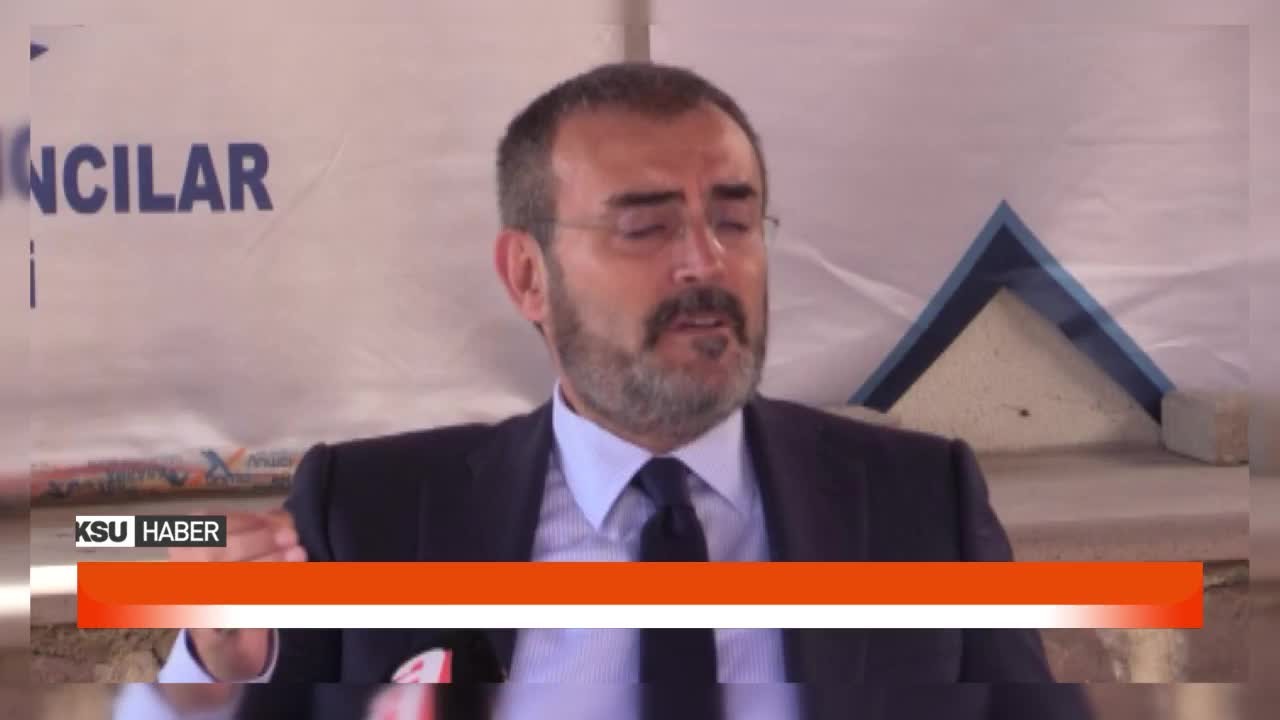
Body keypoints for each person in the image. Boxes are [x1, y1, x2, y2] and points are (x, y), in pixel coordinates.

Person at [114, 61, 1093, 720]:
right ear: (527, 277)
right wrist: (210, 669)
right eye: (645, 227)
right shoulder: (366, 513)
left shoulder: (919, 502)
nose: (705, 262)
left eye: (734, 220)